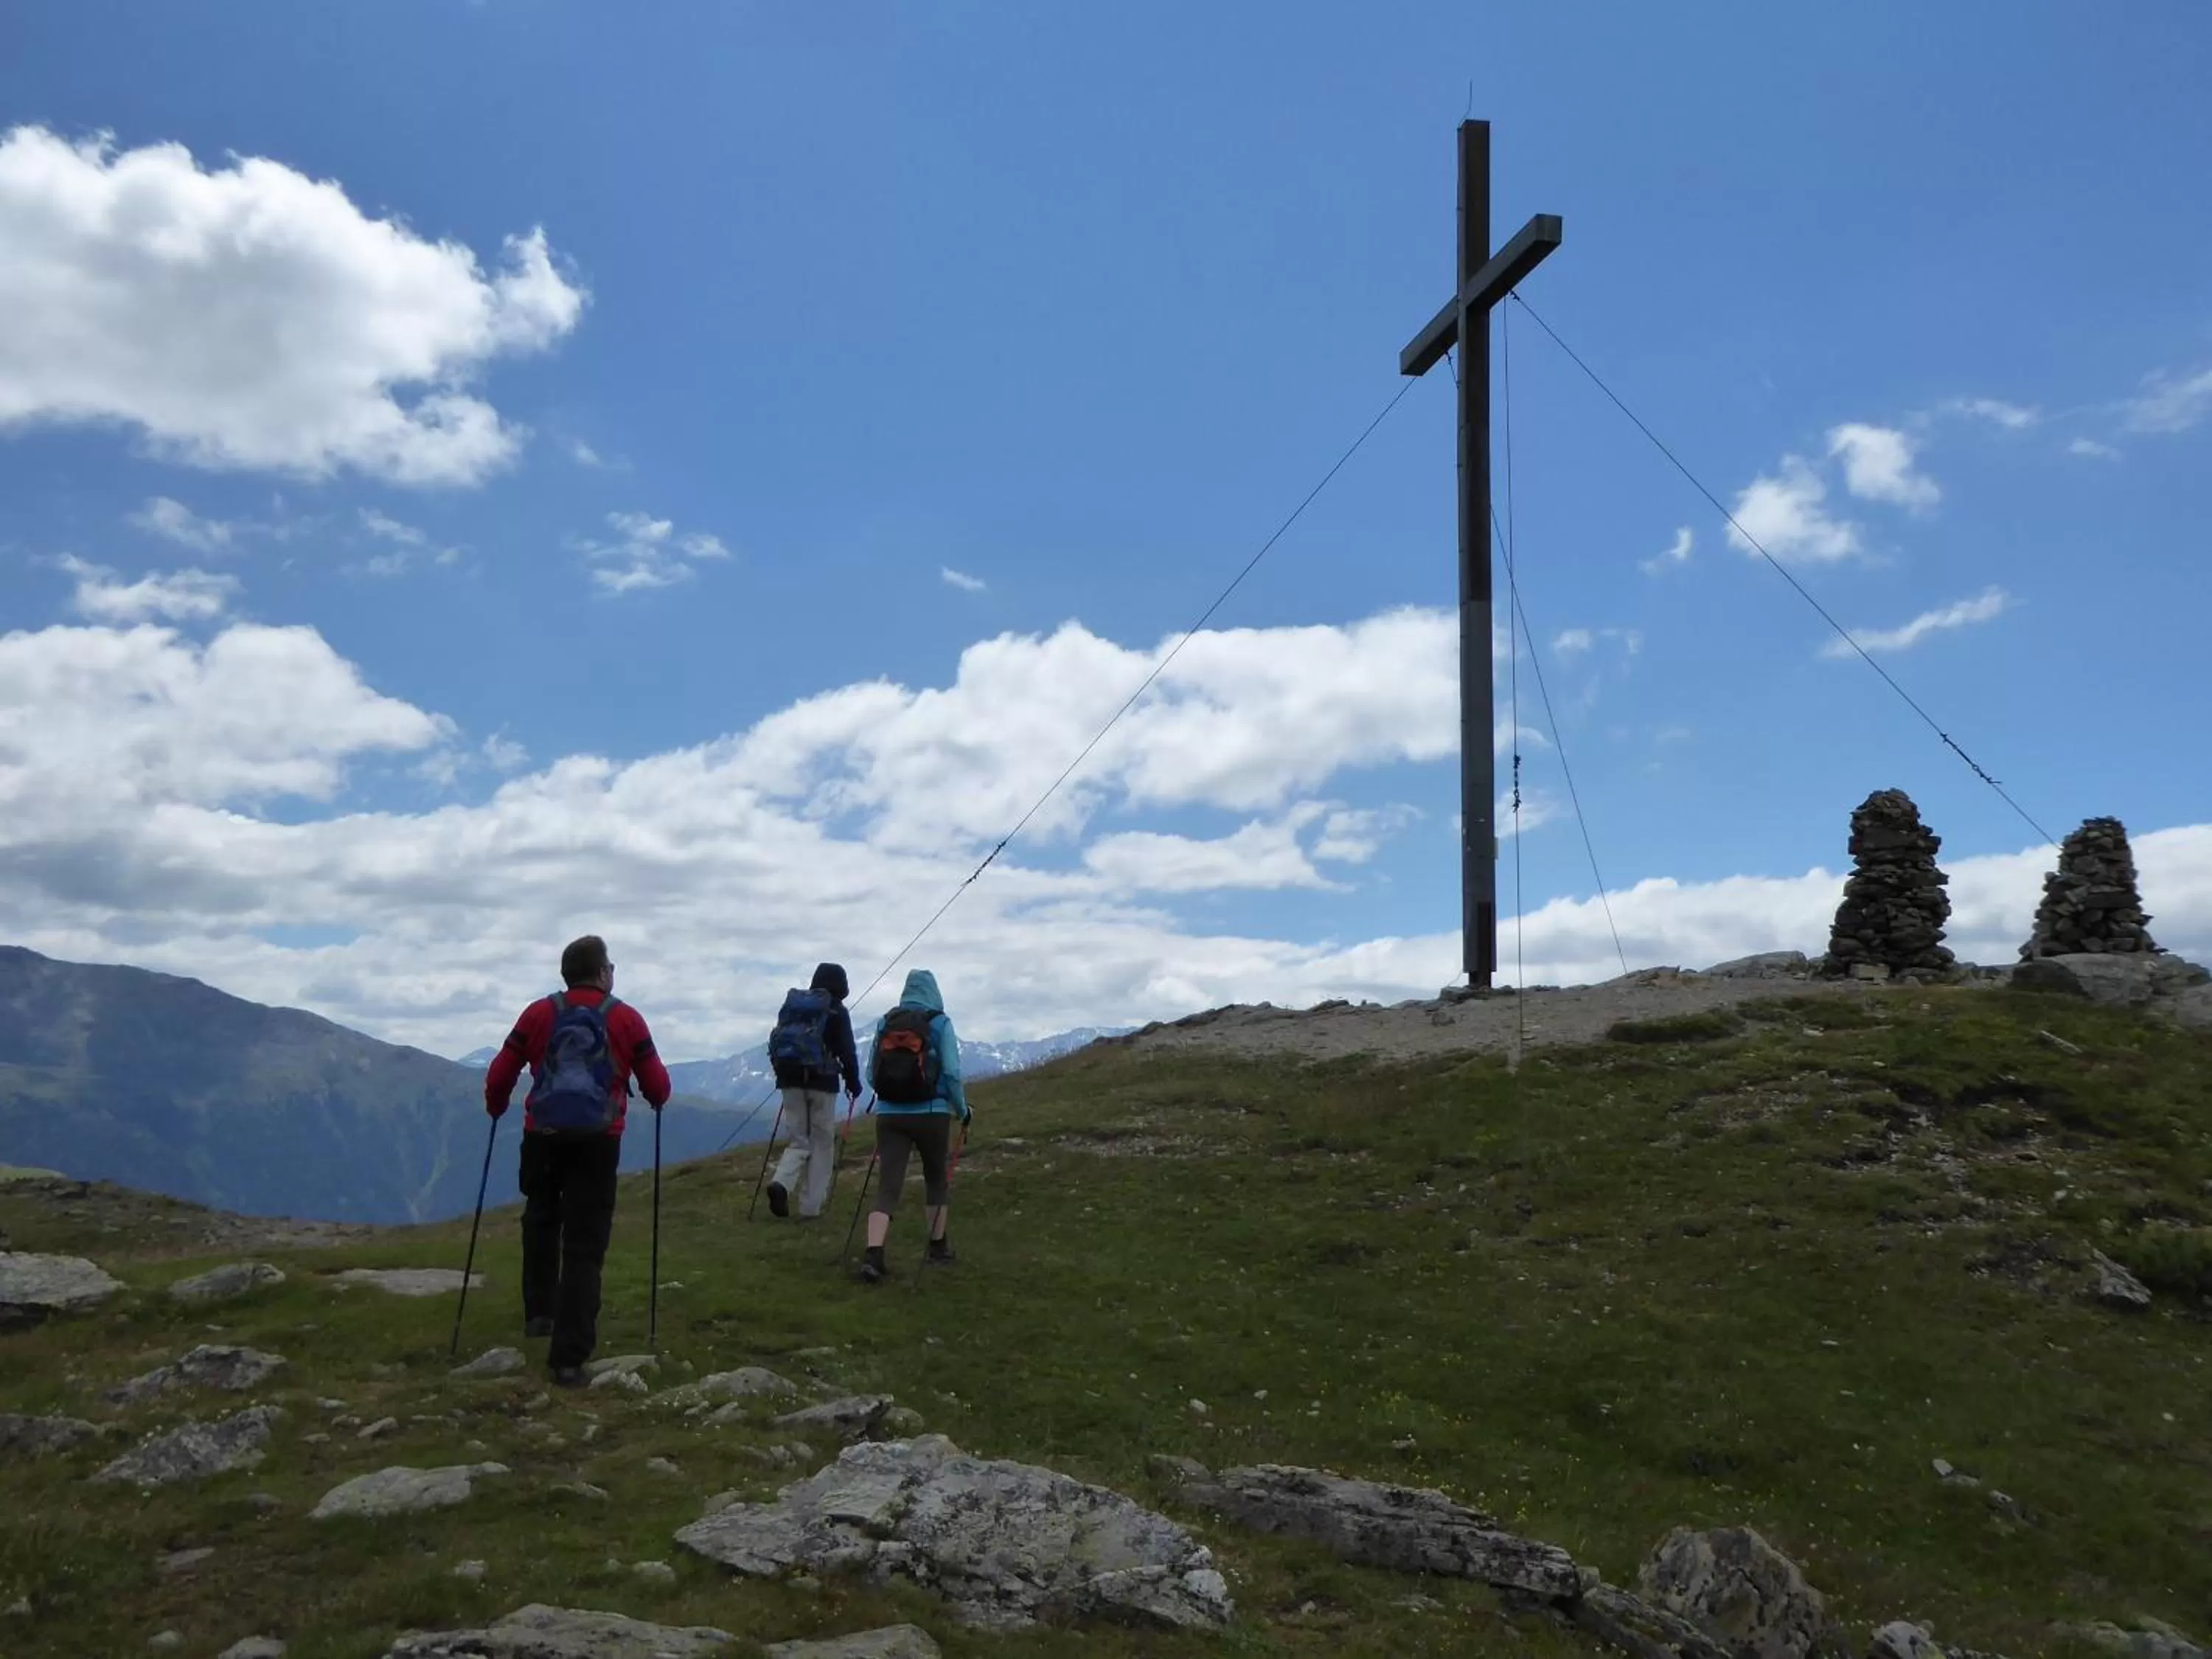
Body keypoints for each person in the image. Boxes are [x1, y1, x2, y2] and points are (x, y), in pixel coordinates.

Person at [483, 934, 671, 1387]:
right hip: (597, 1142)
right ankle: (568, 1359)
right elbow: (658, 1087)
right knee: (585, 1244)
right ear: (603, 973)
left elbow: (501, 1073)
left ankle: (540, 1314)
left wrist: (496, 1105)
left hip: (542, 1135)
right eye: (611, 966)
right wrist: (652, 1097)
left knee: (541, 1219)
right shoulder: (626, 1019)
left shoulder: (538, 1013)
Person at [858, 967, 970, 1283]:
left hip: (890, 1116)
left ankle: (873, 1255)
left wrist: (891, 1096)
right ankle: (937, 1248)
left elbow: (870, 1074)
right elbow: (951, 1073)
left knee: (888, 1185)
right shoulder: (941, 1023)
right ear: (934, 991)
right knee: (935, 1179)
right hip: (932, 1113)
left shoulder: (886, 1022)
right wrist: (962, 1110)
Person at [765, 962, 864, 1221]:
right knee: (822, 1143)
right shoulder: (837, 1010)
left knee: (799, 1140)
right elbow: (847, 1051)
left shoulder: (794, 1007)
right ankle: (811, 1208)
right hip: (823, 1082)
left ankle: (781, 1183)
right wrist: (853, 1083)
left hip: (789, 1080)